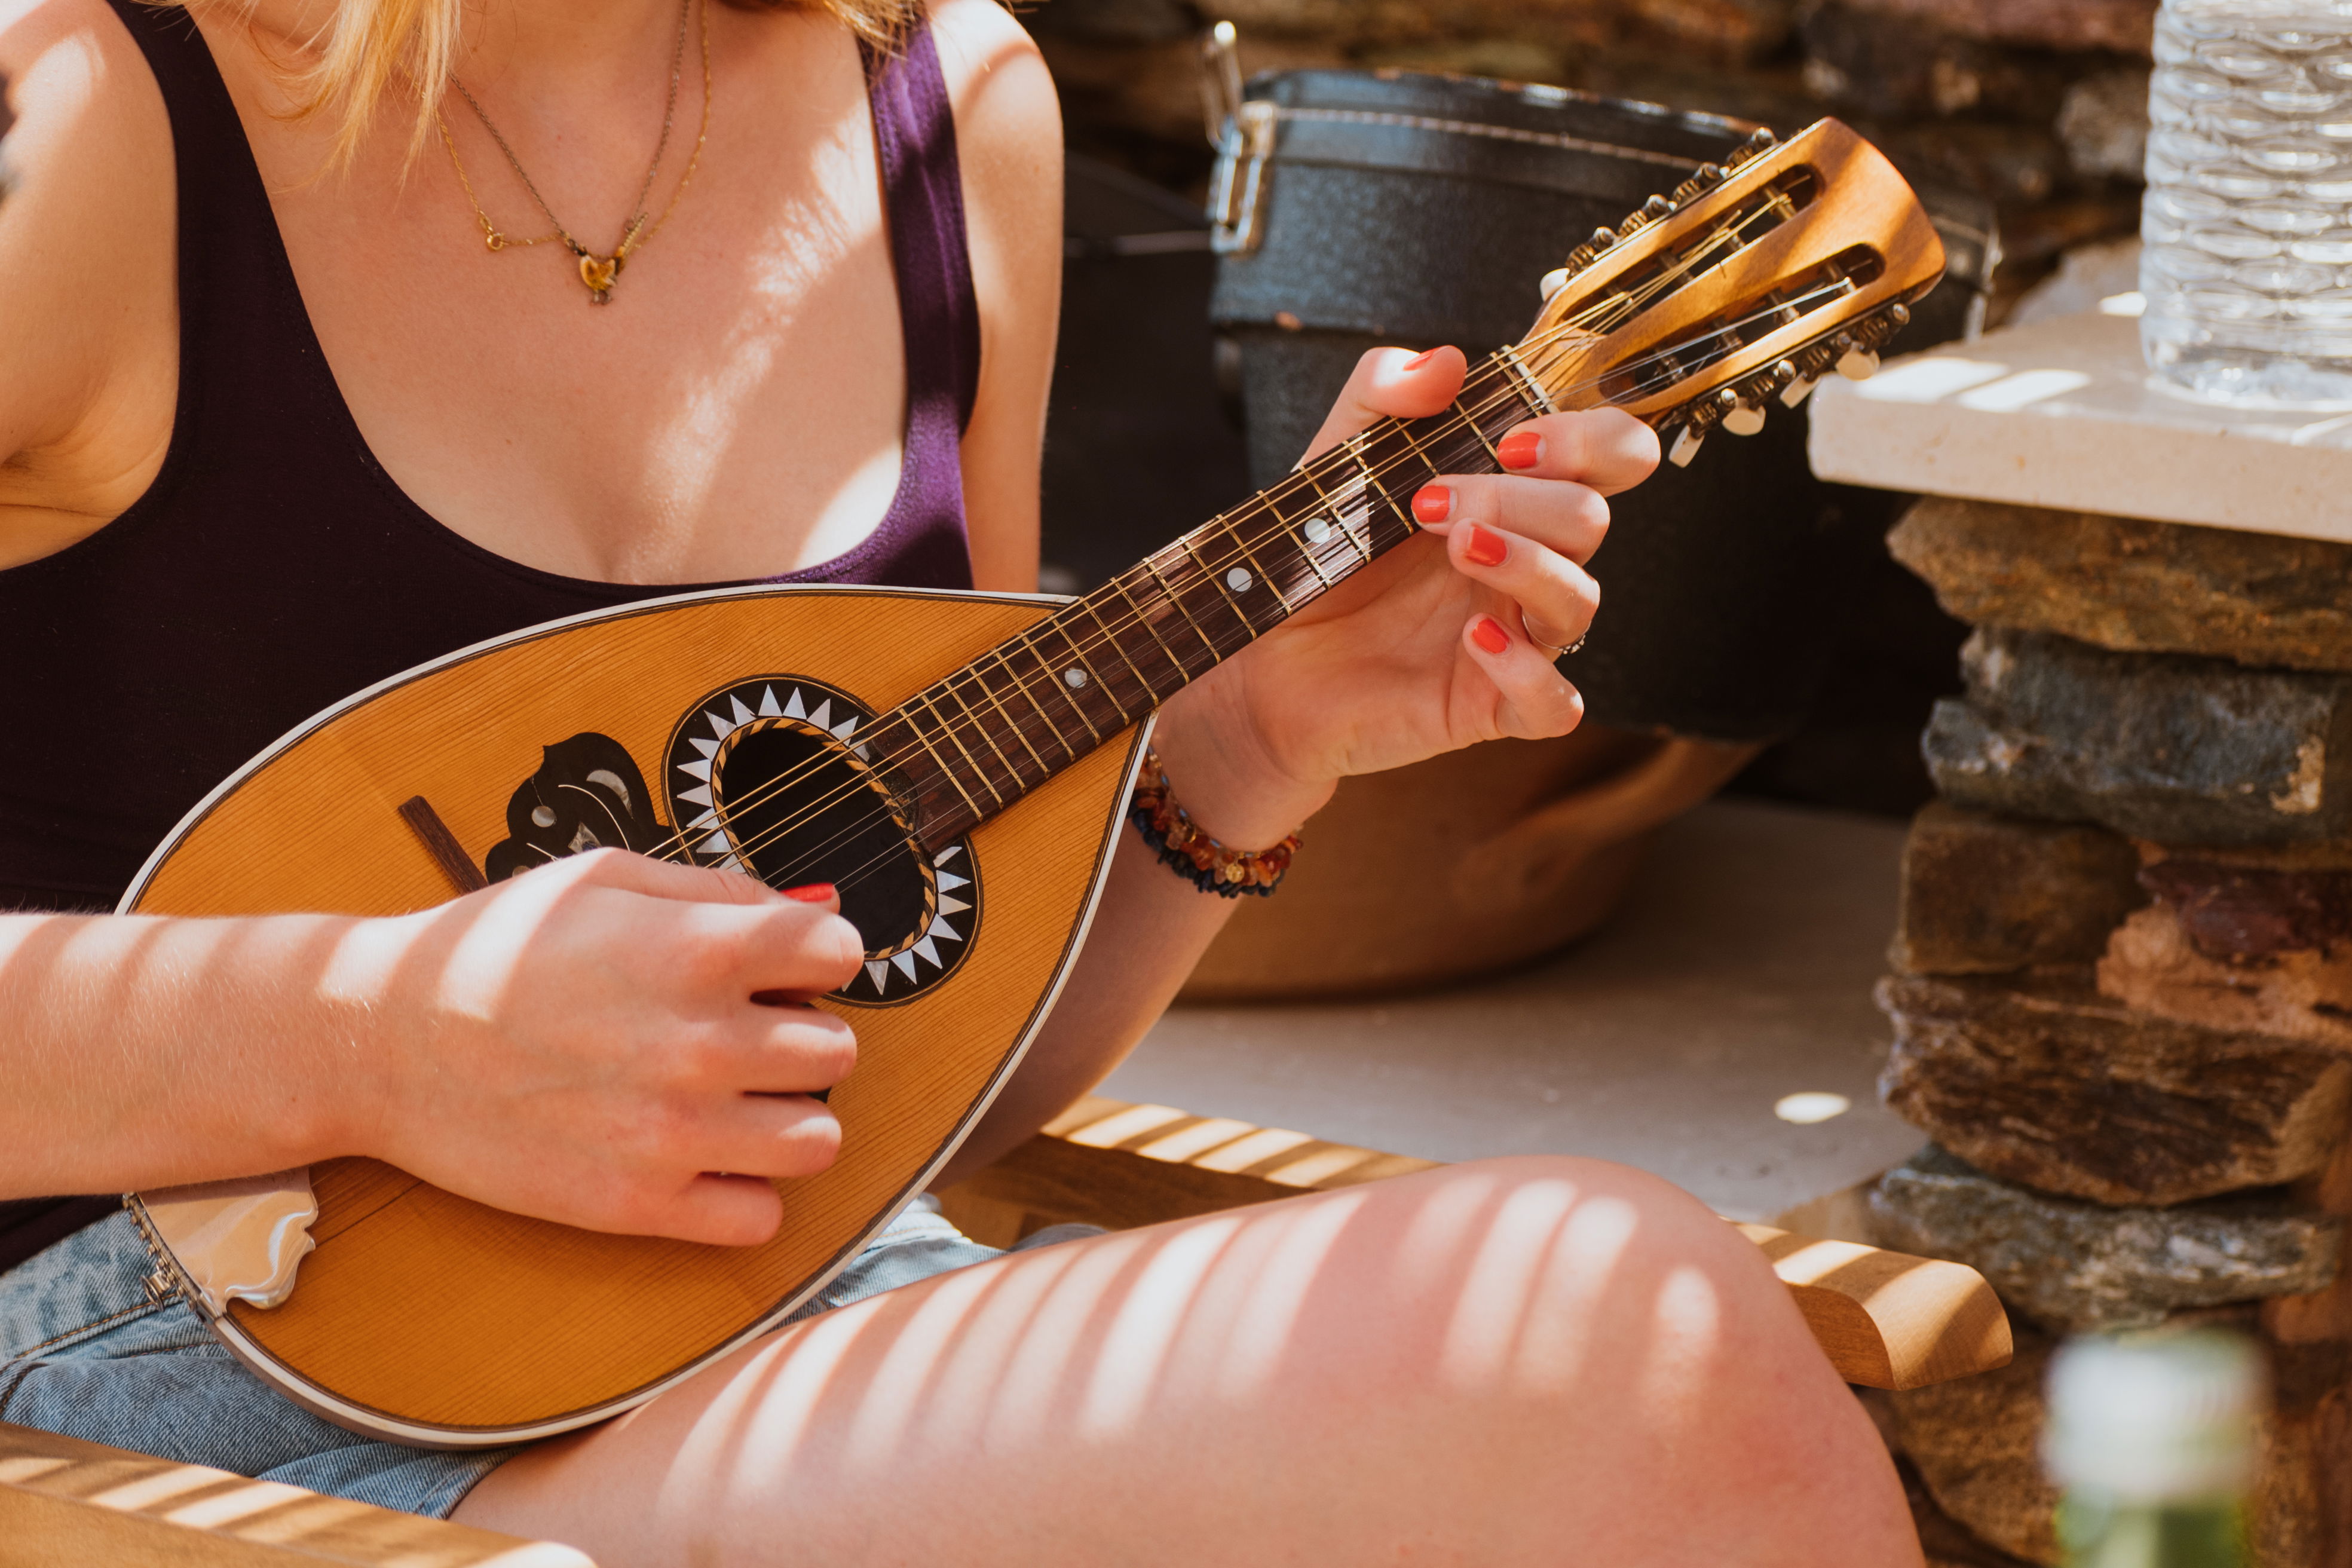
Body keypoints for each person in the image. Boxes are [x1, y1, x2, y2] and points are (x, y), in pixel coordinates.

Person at [0, 0, 1922, 1561]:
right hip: (176, 1391)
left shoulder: (940, 116)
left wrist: (1249, 739)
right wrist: (380, 1042)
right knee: (1604, 1332)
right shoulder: (92, 115)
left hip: (775, 1348)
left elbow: (915, 1073)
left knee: (1638, 1388)